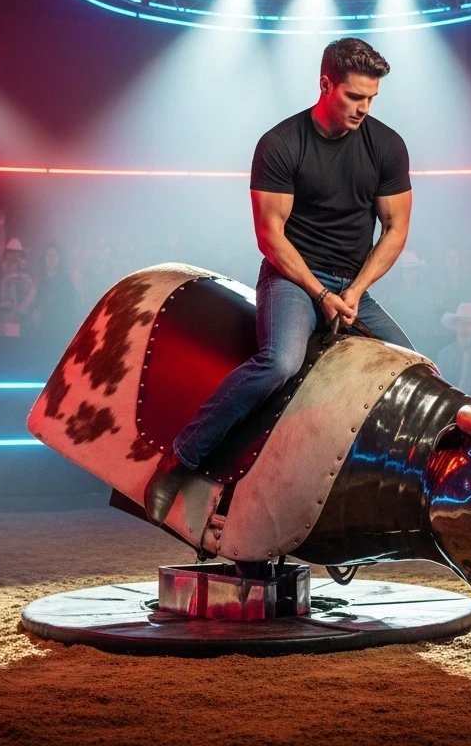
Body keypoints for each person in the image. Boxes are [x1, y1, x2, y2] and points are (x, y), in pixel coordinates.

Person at [147, 37, 413, 525]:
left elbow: (396, 228)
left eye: (372, 98)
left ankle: (356, 502)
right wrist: (321, 294)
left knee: (415, 372)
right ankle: (179, 462)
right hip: (292, 278)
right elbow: (270, 237)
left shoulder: (387, 145)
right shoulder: (282, 142)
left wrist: (352, 292)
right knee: (279, 363)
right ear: (325, 84)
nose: (364, 108)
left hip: (350, 285)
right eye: (355, 96)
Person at [32, 241, 79, 337]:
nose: (50, 258)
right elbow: (38, 302)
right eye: (47, 255)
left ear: (60, 258)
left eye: (54, 255)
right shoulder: (42, 280)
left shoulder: (66, 279)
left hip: (61, 329)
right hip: (44, 328)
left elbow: (70, 305)